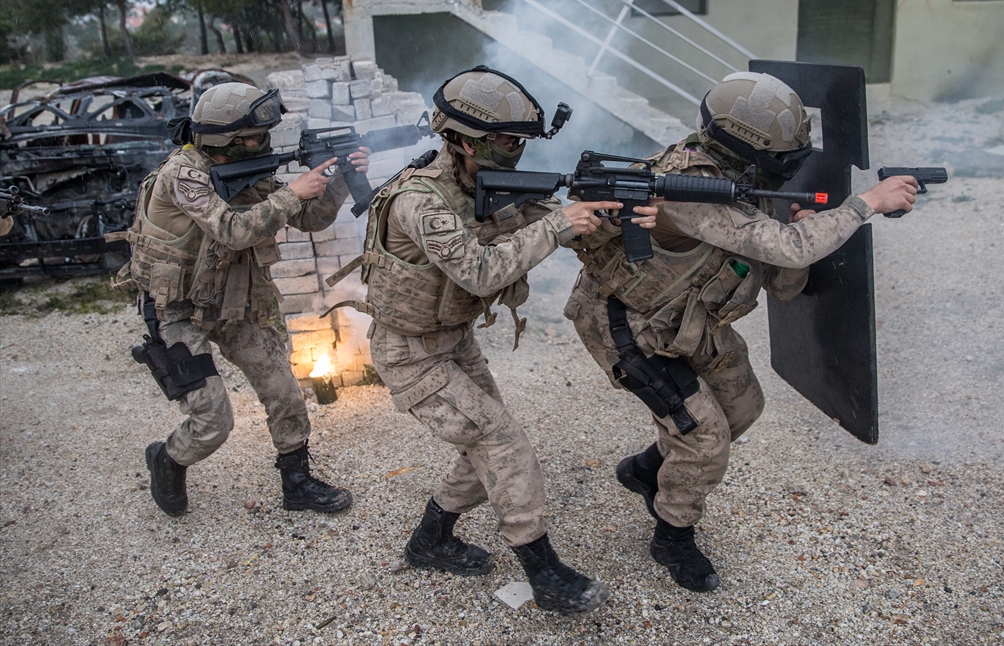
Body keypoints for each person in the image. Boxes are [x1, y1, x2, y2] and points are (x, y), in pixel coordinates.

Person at [563, 71, 919, 592]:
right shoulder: (688, 188)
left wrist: (797, 224)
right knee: (705, 439)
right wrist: (866, 203)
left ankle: (645, 471)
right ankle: (672, 535)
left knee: (743, 408)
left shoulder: (730, 180)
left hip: (685, 317)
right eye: (783, 160)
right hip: (628, 324)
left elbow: (780, 276)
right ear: (748, 151)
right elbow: (787, 248)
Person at [330, 66, 655, 614]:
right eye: (507, 142)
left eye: (521, 141)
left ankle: (431, 538)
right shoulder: (420, 199)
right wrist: (559, 225)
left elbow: (537, 215)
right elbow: (480, 273)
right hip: (409, 352)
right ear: (463, 139)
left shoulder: (479, 182)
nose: (517, 152)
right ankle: (545, 573)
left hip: (451, 340)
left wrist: (603, 217)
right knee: (504, 444)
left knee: (486, 448)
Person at [114, 82, 365, 518]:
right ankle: (168, 459)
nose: (264, 142)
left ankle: (297, 482)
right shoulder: (183, 175)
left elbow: (309, 218)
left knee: (284, 391)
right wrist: (291, 193)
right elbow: (232, 229)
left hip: (234, 303)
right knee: (213, 423)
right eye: (255, 136)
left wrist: (339, 179)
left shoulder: (245, 167)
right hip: (179, 311)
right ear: (225, 141)